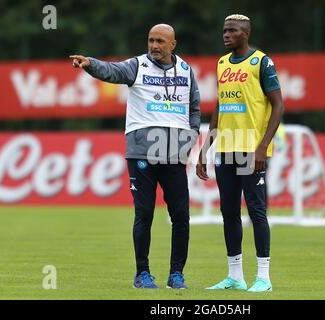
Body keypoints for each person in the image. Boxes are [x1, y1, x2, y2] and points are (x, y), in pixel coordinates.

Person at [70, 23, 201, 289]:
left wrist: (192, 135)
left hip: (174, 152)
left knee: (181, 216)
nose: (154, 45)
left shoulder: (186, 71)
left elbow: (194, 108)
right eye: (151, 40)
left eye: (160, 41)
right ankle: (142, 274)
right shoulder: (137, 66)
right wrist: (90, 63)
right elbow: (112, 71)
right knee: (144, 213)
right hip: (142, 151)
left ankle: (177, 274)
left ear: (173, 44)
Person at [196, 14, 284, 292]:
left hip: (251, 149)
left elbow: (278, 105)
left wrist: (262, 147)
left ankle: (264, 278)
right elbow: (220, 107)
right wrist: (205, 147)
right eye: (224, 30)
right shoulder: (222, 63)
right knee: (229, 212)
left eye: (232, 30)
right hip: (226, 148)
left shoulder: (262, 62)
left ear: (245, 33)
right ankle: (235, 276)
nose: (226, 35)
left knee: (257, 211)